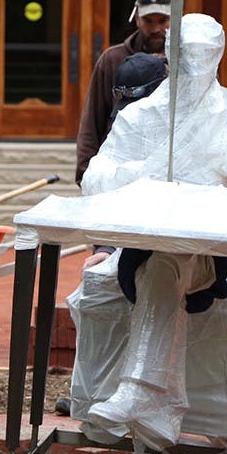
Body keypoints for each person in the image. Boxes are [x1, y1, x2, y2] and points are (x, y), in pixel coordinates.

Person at [79, 13, 227, 452]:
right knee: (157, 265)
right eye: (184, 57)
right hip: (141, 248)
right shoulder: (144, 116)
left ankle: (141, 392)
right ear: (169, 57)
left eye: (202, 57)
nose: (193, 67)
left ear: (217, 58)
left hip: (207, 255)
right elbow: (95, 177)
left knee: (168, 264)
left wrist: (218, 204)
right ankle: (155, 405)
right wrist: (143, 174)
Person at [54, 52, 167, 417]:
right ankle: (92, 397)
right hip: (129, 239)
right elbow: (103, 181)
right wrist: (104, 244)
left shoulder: (192, 123)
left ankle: (144, 402)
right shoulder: (126, 126)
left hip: (177, 244)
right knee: (97, 298)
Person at [75, 0, 170, 185]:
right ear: (136, 17)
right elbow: (93, 119)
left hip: (168, 173)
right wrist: (84, 173)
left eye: (163, 21)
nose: (156, 28)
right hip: (117, 171)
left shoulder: (190, 63)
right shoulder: (112, 59)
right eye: (148, 20)